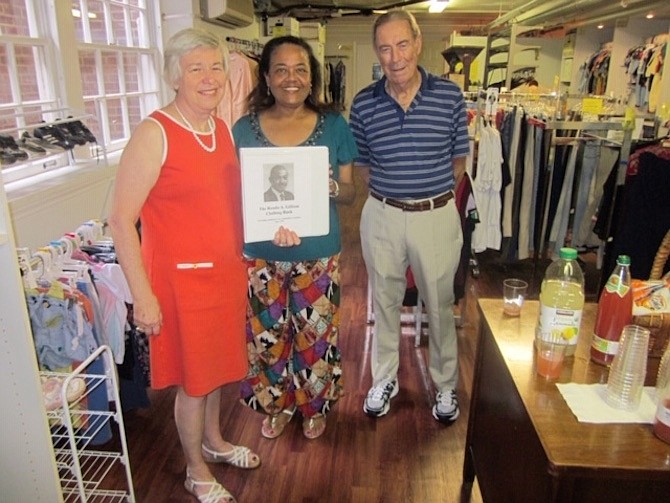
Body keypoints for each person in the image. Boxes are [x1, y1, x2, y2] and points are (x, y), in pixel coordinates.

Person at [108, 28, 259, 503]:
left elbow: (224, 203)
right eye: (196, 68)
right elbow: (118, 219)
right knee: (194, 382)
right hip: (180, 285)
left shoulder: (218, 127)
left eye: (216, 66)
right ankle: (196, 471)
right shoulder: (155, 132)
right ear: (175, 76)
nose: (210, 77)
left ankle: (214, 443)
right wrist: (142, 296)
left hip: (223, 275)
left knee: (214, 372)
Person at [233, 35, 358, 441]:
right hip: (262, 254)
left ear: (312, 78)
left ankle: (313, 405)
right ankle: (279, 404)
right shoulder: (243, 129)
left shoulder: (334, 125)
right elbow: (237, 193)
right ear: (266, 77)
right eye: (281, 69)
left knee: (315, 337)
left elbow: (351, 191)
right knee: (268, 338)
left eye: (301, 69)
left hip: (317, 252)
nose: (292, 78)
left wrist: (329, 189)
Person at [349, 10, 469, 424]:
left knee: (439, 304)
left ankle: (445, 383)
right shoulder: (363, 102)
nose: (395, 56)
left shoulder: (450, 96)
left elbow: (459, 159)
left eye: (402, 44)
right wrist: (393, 193)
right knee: (383, 301)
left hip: (435, 215)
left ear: (418, 44)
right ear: (377, 53)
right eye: (385, 48)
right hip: (382, 214)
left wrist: (426, 194)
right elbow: (362, 165)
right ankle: (385, 378)